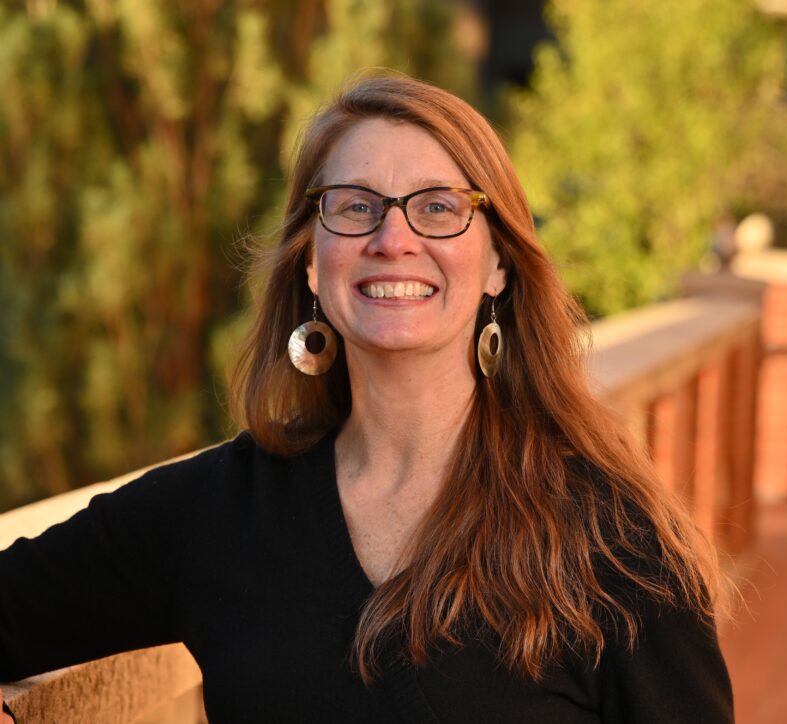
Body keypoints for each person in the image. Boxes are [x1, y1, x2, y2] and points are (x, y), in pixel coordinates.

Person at [0, 72, 733, 723]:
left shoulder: (610, 539)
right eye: (354, 207)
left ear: (499, 265)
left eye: (439, 207)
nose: (393, 237)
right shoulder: (220, 510)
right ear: (312, 263)